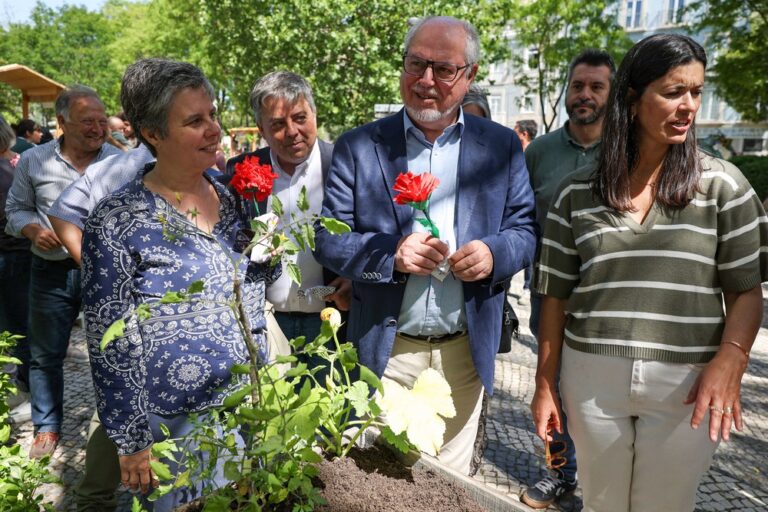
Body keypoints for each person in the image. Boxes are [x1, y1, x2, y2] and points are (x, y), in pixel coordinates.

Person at [531, 34, 767, 512]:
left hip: (689, 382)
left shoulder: (724, 187)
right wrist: (544, 384)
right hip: (591, 378)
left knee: (666, 505)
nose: (689, 106)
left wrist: (732, 361)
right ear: (633, 99)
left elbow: (746, 291)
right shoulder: (576, 193)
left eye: (696, 92)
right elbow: (555, 296)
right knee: (601, 503)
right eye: (674, 91)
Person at [315, 15, 536, 475]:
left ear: (470, 75)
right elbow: (328, 240)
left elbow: (524, 232)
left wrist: (493, 254)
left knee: (449, 487)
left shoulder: (501, 147)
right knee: (380, 483)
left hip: (463, 356)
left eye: (444, 69)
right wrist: (391, 254)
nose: (426, 80)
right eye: (416, 64)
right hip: (386, 352)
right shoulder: (359, 146)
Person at [81, 58, 275, 511]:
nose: (214, 130)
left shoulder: (233, 198)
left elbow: (253, 289)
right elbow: (110, 341)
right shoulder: (117, 221)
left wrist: (271, 251)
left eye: (212, 115)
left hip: (247, 408)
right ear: (153, 133)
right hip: (173, 427)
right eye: (194, 121)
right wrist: (131, 438)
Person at [4, 85, 121, 459]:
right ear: (61, 122)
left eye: (102, 121)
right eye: (87, 121)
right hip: (50, 272)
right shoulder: (35, 160)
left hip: (106, 272)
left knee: (114, 350)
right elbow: (16, 208)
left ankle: (117, 427)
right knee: (45, 354)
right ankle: (47, 427)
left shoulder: (120, 161)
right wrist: (32, 230)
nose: (98, 129)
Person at [520, 48, 614, 509]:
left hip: (608, 296)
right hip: (550, 292)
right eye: (578, 85)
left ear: (613, 95)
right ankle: (560, 473)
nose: (585, 95)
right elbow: (521, 218)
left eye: (597, 87)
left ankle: (605, 483)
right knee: (553, 383)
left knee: (603, 389)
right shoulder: (539, 153)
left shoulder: (628, 150)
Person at [225, 71, 351, 343]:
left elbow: (367, 233)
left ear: (315, 115)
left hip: (331, 322)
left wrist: (354, 280)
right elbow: (229, 238)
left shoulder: (344, 164)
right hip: (265, 322)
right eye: (278, 123)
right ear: (261, 129)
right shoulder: (240, 170)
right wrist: (251, 242)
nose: (292, 131)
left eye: (300, 118)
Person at [0, 115, 31, 422]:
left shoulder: (13, 165)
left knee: (12, 327)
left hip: (9, 254)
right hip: (22, 252)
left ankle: (19, 391)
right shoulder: (21, 161)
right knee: (19, 324)